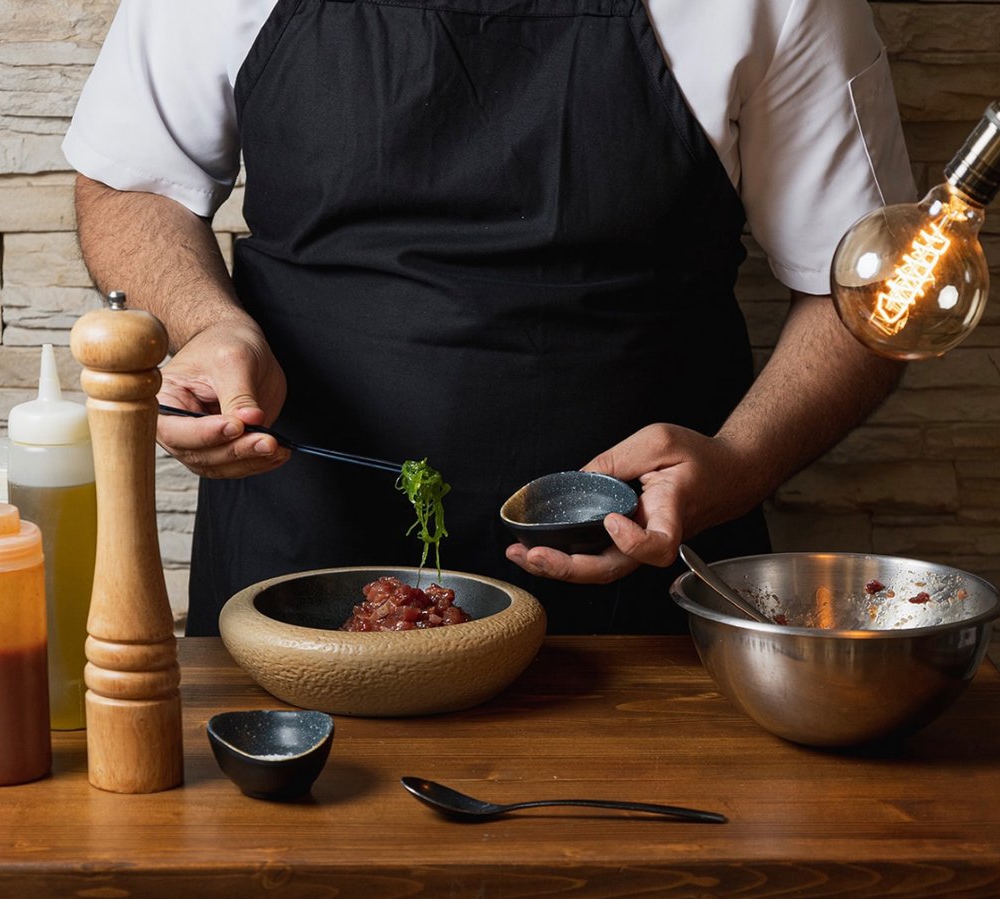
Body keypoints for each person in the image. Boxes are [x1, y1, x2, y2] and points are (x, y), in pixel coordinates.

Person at [63, 0, 914, 636]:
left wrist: (740, 461)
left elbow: (874, 291)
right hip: (303, 585)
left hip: (635, 600)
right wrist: (209, 326)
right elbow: (132, 182)